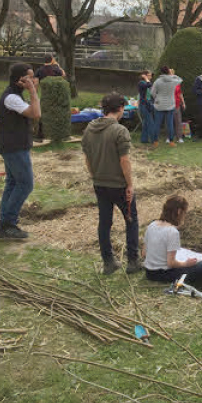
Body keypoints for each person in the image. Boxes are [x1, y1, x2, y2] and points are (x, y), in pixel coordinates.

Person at [81, 93, 141, 274]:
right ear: (121, 108)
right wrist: (130, 184)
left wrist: (95, 176)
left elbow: (87, 159)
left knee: (104, 223)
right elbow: (124, 161)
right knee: (131, 220)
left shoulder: (89, 129)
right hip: (119, 185)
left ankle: (108, 262)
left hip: (99, 184)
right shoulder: (119, 130)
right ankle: (133, 261)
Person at [0, 62, 39, 241]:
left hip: (15, 146)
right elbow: (36, 113)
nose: (33, 80)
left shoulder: (16, 96)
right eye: (29, 77)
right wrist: (33, 92)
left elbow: (36, 111)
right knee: (25, 184)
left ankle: (5, 225)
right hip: (14, 148)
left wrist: (30, 92)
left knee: (12, 184)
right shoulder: (11, 98)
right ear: (20, 79)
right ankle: (8, 224)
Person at [143, 194, 202, 285]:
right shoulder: (172, 231)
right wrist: (186, 264)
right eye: (185, 212)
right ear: (179, 212)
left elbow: (144, 253)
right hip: (163, 274)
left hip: (149, 273)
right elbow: (171, 263)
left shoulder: (152, 225)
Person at [152, 66, 182, 147]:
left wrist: (156, 98)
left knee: (157, 124)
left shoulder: (157, 81)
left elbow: (153, 93)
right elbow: (180, 79)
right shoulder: (173, 81)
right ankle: (171, 141)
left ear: (161, 72)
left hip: (159, 104)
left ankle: (155, 141)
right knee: (170, 124)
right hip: (170, 104)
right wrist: (172, 75)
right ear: (168, 71)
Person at [136, 70, 158, 145]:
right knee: (150, 123)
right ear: (144, 75)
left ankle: (144, 139)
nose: (150, 77)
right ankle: (153, 140)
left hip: (147, 104)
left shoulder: (144, 83)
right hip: (144, 105)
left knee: (146, 123)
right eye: (149, 75)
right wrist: (146, 78)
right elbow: (149, 85)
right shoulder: (141, 83)